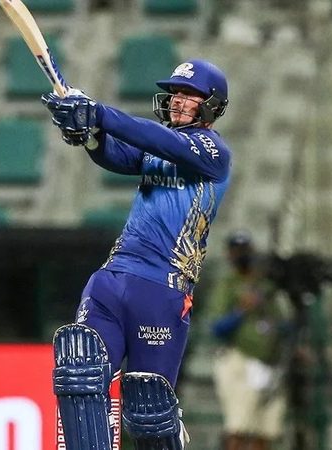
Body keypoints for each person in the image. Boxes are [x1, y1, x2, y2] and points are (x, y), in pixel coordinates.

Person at [42, 59, 231, 449]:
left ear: (212, 105)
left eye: (189, 95)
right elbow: (115, 154)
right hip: (113, 278)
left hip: (162, 290)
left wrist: (98, 113)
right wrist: (88, 133)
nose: (177, 101)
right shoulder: (159, 147)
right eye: (175, 94)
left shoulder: (213, 153)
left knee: (149, 412)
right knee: (81, 375)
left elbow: (157, 139)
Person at [208, 231, 289, 450]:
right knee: (239, 427)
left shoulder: (266, 285)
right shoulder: (227, 284)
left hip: (269, 362)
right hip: (240, 360)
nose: (242, 255)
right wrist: (241, 309)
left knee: (265, 429)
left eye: (245, 250)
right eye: (237, 251)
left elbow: (282, 322)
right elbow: (216, 327)